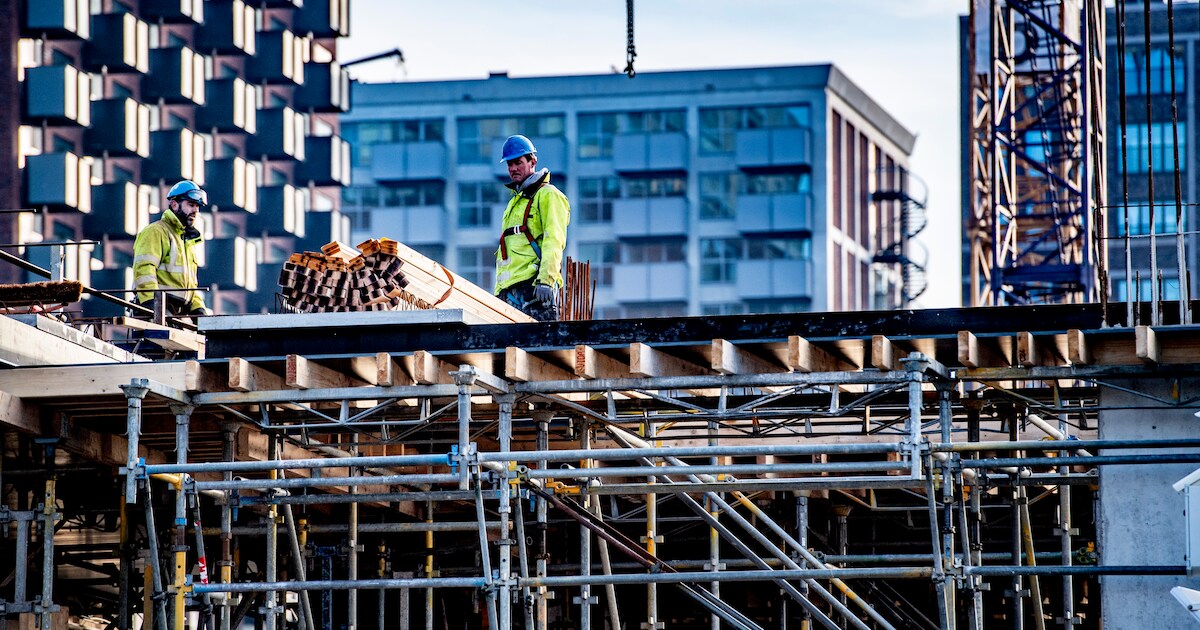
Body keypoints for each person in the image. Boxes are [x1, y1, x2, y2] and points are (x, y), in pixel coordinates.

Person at [494, 135, 571, 321]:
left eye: (518, 162)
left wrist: (546, 280)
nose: (512, 169)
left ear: (532, 161)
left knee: (538, 347)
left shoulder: (548, 195)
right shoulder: (515, 201)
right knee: (510, 348)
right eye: (509, 164)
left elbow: (554, 239)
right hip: (509, 290)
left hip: (534, 288)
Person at [132, 179, 208, 320]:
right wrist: (152, 304)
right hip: (155, 312)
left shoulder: (185, 241)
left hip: (174, 315)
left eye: (197, 206)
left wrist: (199, 310)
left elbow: (191, 285)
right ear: (174, 205)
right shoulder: (156, 231)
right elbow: (143, 269)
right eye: (191, 205)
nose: (195, 210)